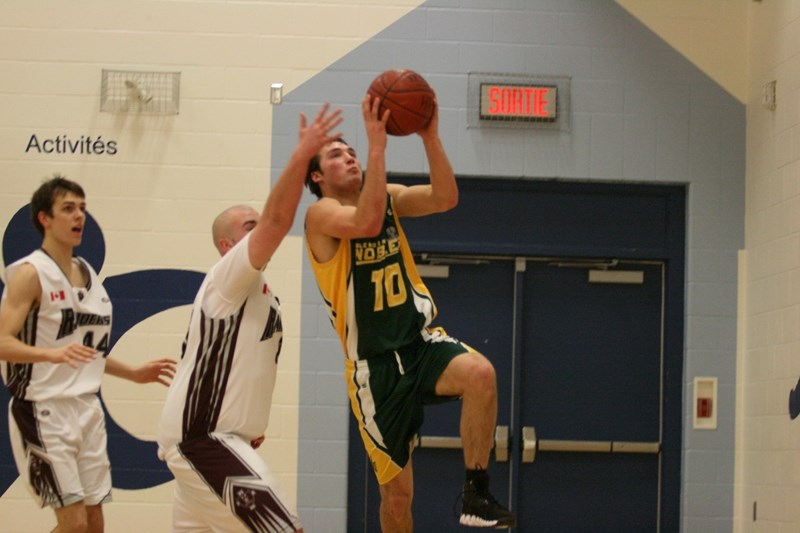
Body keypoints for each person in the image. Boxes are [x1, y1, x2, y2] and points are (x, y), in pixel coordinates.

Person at [303, 95, 516, 530]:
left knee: (481, 374)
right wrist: (377, 144)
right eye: (336, 155)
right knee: (397, 499)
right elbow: (363, 223)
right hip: (374, 369)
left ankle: (476, 492)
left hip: (418, 345)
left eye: (352, 151)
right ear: (317, 176)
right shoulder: (321, 213)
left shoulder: (388, 197)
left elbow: (445, 197)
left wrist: (430, 136)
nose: (349, 156)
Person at [156, 103, 343, 533]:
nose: (259, 228)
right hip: (205, 440)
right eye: (248, 225)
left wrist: (249, 423)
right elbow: (278, 220)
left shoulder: (257, 295)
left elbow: (206, 364)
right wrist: (302, 155)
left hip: (216, 440)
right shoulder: (227, 276)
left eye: (256, 223)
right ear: (227, 245)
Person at [0, 175, 177, 533]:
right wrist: (49, 355)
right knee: (75, 524)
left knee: (94, 524)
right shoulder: (31, 274)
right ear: (44, 219)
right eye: (68, 209)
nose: (79, 216)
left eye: (82, 208)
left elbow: (86, 352)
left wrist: (134, 373)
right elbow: (3, 341)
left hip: (87, 409)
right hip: (43, 409)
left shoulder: (89, 276)